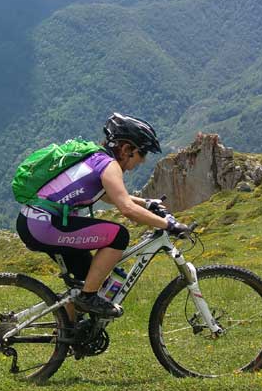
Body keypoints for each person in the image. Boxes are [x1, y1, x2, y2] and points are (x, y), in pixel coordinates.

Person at [15, 113, 190, 318]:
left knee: (88, 278)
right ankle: (87, 298)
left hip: (35, 222)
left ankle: (67, 336)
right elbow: (126, 209)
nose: (142, 161)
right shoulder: (109, 165)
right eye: (142, 153)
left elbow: (109, 195)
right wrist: (168, 225)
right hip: (44, 225)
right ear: (126, 149)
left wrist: (148, 204)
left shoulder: (96, 158)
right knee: (119, 236)